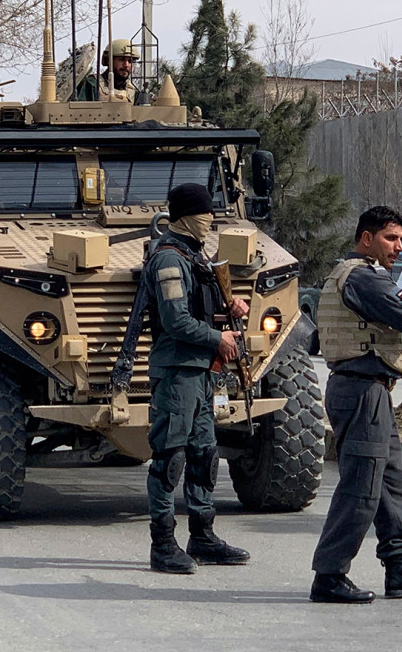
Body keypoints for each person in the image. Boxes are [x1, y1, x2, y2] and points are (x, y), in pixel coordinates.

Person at [309, 205, 402, 604]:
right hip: (361, 392)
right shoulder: (363, 277)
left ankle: (399, 567)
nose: (399, 247)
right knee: (360, 489)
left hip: (371, 391)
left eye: (401, 239)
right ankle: (330, 575)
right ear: (366, 238)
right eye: (390, 238)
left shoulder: (364, 276)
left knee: (393, 484)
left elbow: (397, 313)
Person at [142, 182, 250, 573]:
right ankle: (163, 545)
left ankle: (202, 537)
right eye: (205, 214)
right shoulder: (169, 260)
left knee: (204, 455)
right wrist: (217, 338)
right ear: (187, 216)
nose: (209, 221)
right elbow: (175, 321)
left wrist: (229, 310)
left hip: (202, 373)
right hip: (177, 373)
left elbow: (199, 308)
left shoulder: (195, 257)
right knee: (169, 458)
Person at [75, 38, 139, 103]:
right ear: (109, 60)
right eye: (121, 59)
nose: (126, 65)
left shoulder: (133, 92)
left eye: (130, 61)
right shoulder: (93, 84)